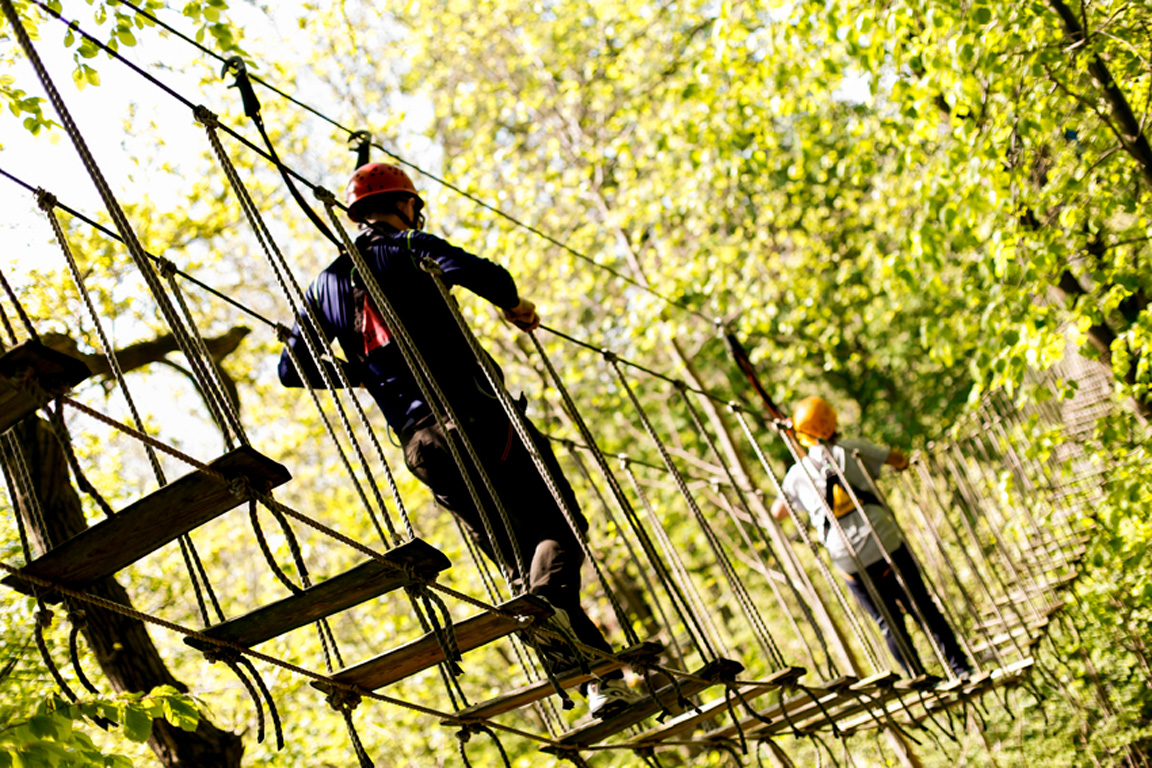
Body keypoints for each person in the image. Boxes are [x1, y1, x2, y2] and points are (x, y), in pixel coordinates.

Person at [277, 162, 637, 717]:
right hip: (479, 418)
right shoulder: (410, 243)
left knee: (519, 556)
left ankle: (600, 680)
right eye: (414, 207)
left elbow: (292, 369)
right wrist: (512, 305)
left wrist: (367, 375)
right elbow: (489, 276)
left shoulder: (323, 285)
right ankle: (559, 628)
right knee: (559, 525)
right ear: (404, 205)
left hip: (424, 448)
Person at [770, 396, 972, 679]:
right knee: (922, 606)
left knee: (888, 622)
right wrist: (902, 464)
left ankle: (919, 677)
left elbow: (778, 511)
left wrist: (800, 469)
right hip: (885, 542)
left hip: (849, 560)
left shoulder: (796, 475)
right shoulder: (853, 449)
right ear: (832, 421)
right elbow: (897, 459)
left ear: (802, 435)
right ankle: (960, 668)